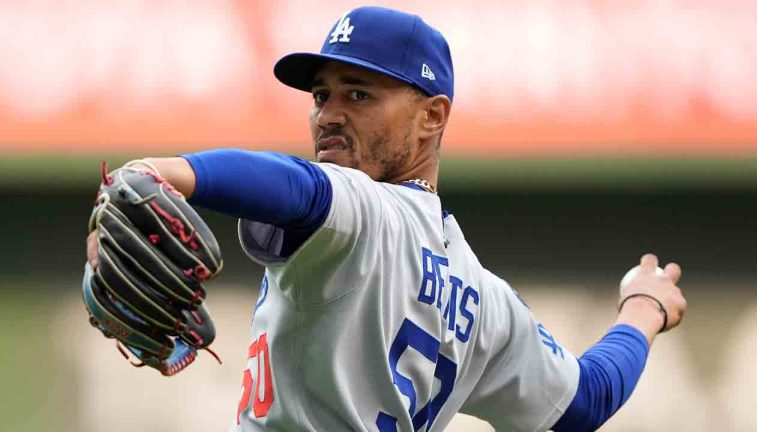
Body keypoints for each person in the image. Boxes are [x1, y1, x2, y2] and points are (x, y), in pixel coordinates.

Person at [86, 6, 687, 432]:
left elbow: (297, 186)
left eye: (359, 95)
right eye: (322, 95)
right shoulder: (486, 301)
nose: (327, 115)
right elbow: (583, 403)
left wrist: (167, 170)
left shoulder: (368, 212)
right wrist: (644, 309)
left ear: (432, 116)